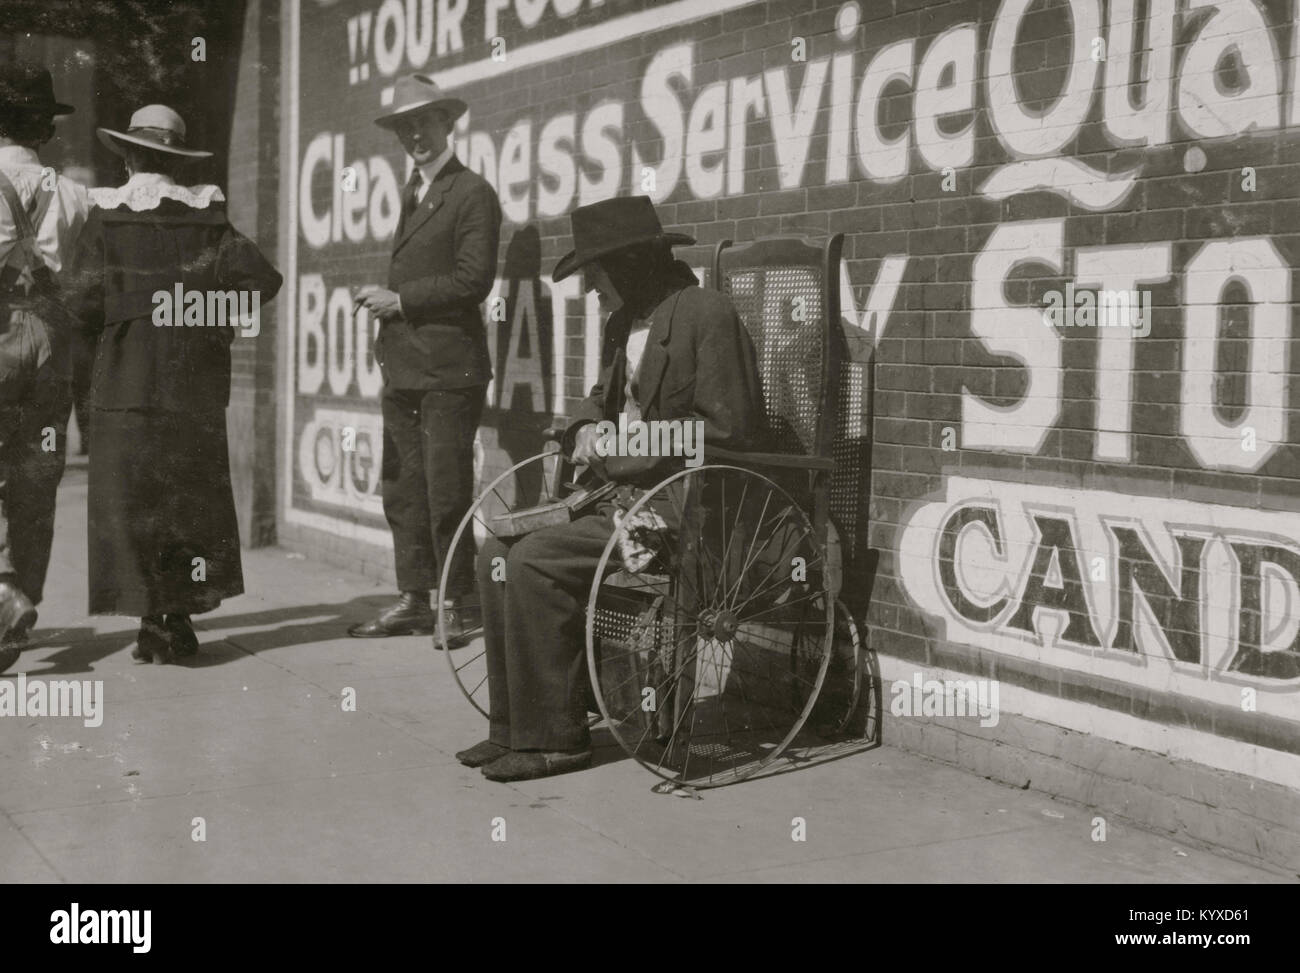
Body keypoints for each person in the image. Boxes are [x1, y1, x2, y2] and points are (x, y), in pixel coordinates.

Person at [457, 195, 766, 782]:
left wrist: (629, 446)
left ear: (630, 264)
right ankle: (514, 728)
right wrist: (585, 429)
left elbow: (728, 430)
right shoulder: (625, 323)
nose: (594, 289)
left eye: (598, 276)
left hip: (678, 516)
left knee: (535, 562)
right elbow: (597, 404)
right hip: (615, 502)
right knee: (497, 553)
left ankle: (558, 739)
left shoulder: (706, 316)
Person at [66, 105, 282, 663]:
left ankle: (149, 625)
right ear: (176, 161)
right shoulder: (207, 216)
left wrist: (126, 317)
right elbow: (263, 279)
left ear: (131, 156)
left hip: (127, 381)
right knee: (188, 502)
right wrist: (208, 314)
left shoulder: (106, 216)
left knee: (132, 501)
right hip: (194, 385)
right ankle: (179, 621)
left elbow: (80, 302)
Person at [347, 73, 502, 643]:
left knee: (446, 490)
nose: (415, 134)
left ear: (448, 123)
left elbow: (473, 279)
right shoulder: (415, 192)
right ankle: (415, 598)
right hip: (408, 367)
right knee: (404, 489)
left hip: (449, 371)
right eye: (404, 126)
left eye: (425, 122)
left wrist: (399, 299)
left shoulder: (472, 192)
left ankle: (461, 604)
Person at [0, 62, 91, 675]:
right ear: (46, 130)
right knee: (38, 472)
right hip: (53, 340)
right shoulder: (75, 192)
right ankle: (19, 597)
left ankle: (2, 585)